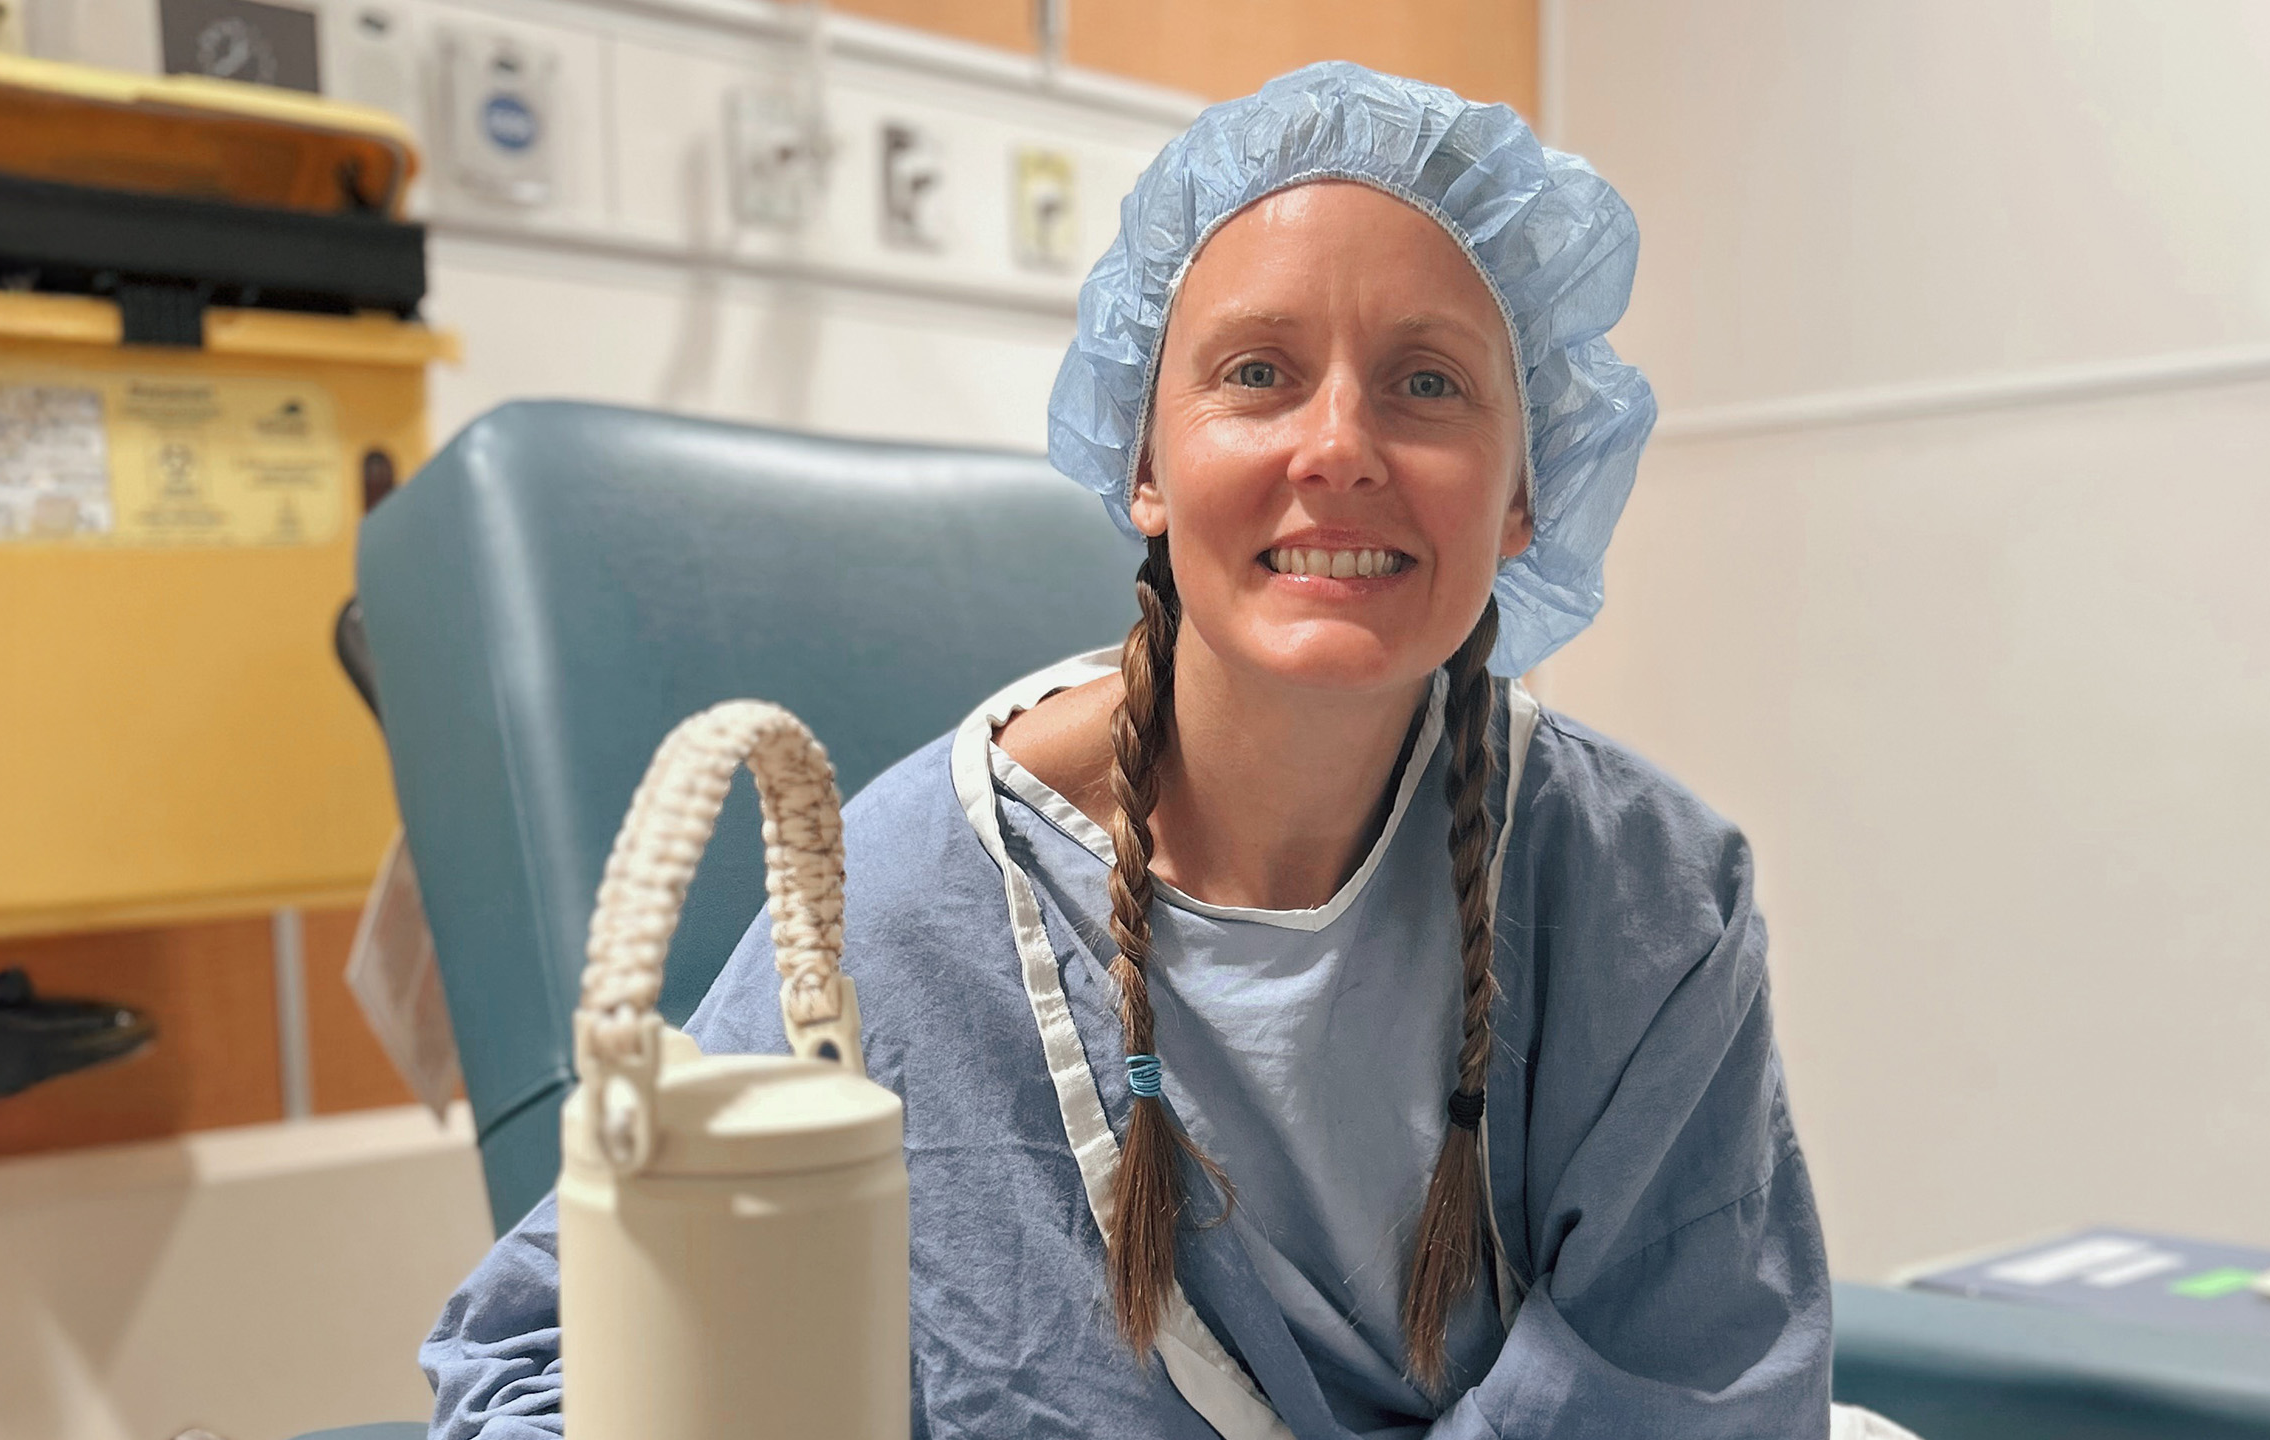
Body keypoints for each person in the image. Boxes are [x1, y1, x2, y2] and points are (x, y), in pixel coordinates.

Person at [424, 62, 1835, 1439]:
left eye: (1427, 384)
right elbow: (552, 1355)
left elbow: (1695, 1379)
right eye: (1260, 372)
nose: (1340, 445)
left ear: (1527, 493)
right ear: (1144, 468)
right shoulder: (926, 904)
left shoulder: (1640, 902)